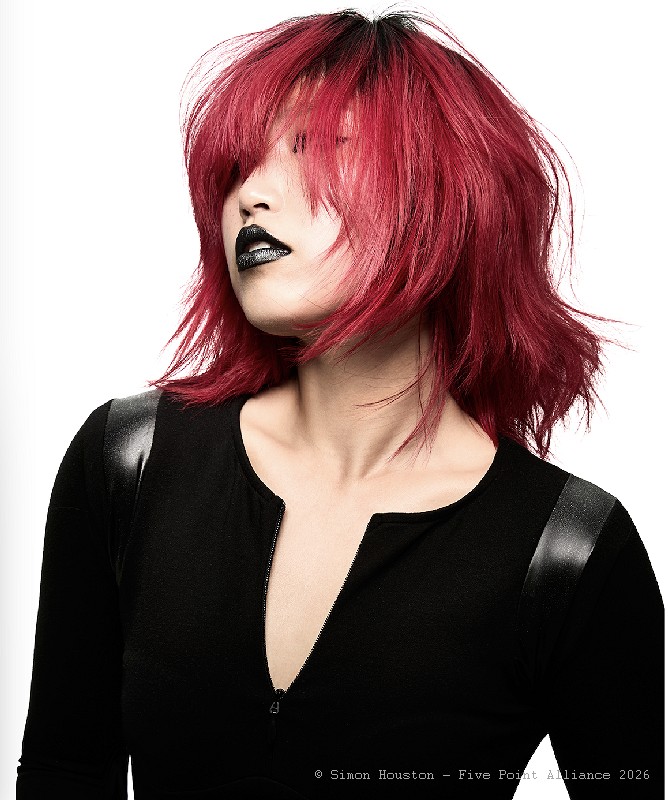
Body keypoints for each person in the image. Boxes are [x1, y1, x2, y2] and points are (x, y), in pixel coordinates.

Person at [16, 9, 663, 800]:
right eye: (239, 167)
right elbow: (63, 770)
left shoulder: (569, 550)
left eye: (315, 149)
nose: (251, 196)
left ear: (443, 194)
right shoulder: (131, 459)